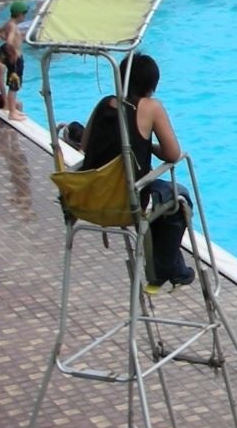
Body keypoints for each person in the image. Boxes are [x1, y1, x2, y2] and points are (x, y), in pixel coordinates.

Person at [78, 53, 194, 289]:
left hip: (91, 196)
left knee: (160, 199)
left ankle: (165, 268)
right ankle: (167, 269)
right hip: (127, 201)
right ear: (152, 86)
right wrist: (149, 145)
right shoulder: (151, 107)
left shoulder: (103, 104)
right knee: (179, 197)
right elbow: (173, 154)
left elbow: (85, 145)